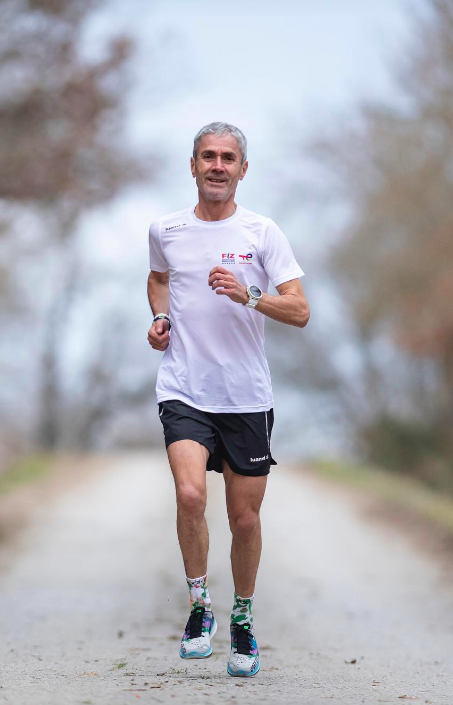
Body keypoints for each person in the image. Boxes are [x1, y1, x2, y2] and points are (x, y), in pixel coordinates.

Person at [147, 122, 309, 678]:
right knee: (190, 493)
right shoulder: (164, 228)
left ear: (243, 169)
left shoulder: (263, 232)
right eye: (208, 156)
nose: (218, 165)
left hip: (245, 397)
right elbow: (158, 277)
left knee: (244, 519)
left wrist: (251, 294)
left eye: (229, 157)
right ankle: (199, 609)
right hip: (184, 387)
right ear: (191, 165)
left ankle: (241, 616)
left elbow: (300, 309)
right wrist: (161, 317)